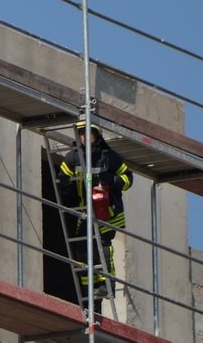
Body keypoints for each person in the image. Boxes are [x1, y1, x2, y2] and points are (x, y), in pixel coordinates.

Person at [59, 122, 133, 299]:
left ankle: (107, 285)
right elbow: (63, 178)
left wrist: (113, 181)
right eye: (81, 134)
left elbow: (128, 179)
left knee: (103, 248)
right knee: (82, 250)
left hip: (108, 213)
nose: (84, 137)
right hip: (86, 211)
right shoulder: (73, 158)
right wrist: (66, 185)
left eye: (88, 133)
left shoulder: (110, 157)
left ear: (96, 135)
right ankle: (91, 288)